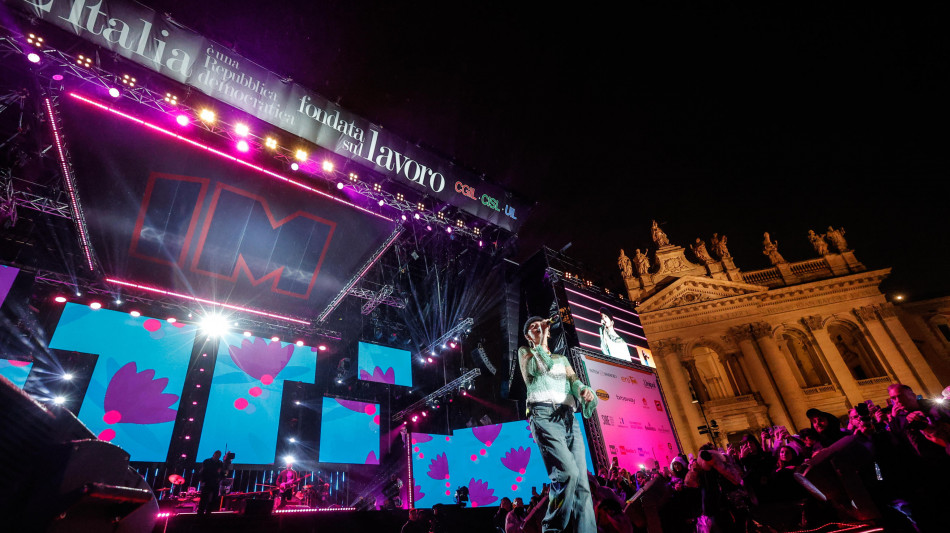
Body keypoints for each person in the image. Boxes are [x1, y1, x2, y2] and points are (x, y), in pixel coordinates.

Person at [519, 315, 598, 532]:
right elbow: (536, 369)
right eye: (533, 327)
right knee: (567, 473)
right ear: (528, 336)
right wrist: (541, 338)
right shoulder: (526, 353)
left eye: (540, 326)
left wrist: (583, 391)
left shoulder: (561, 360)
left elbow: (574, 381)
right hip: (544, 414)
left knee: (582, 485)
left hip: (568, 417)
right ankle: (553, 529)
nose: (538, 328)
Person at [197, 450, 224, 516]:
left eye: (219, 455)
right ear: (214, 454)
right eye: (216, 454)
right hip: (207, 482)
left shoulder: (220, 463)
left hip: (215, 483)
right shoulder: (207, 461)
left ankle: (208, 512)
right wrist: (202, 481)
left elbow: (222, 473)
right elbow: (202, 472)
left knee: (213, 499)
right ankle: (200, 513)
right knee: (204, 498)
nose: (217, 456)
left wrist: (220, 478)